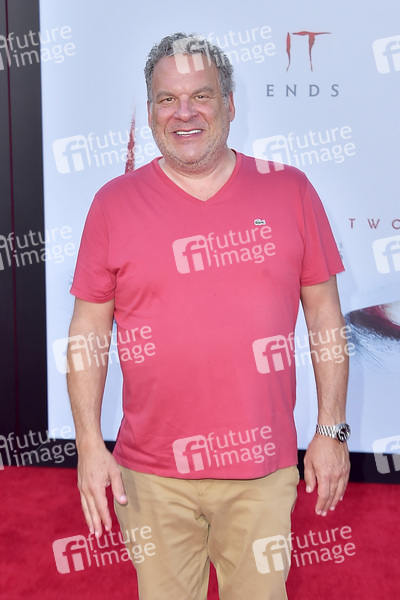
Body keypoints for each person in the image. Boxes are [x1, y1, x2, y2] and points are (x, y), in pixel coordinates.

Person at [67, 32, 351, 600]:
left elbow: (325, 317)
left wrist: (331, 430)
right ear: (151, 111)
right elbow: (88, 332)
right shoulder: (112, 204)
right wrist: (89, 445)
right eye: (167, 99)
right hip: (150, 478)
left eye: (201, 95)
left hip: (261, 473)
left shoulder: (290, 191)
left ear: (229, 104)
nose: (185, 112)